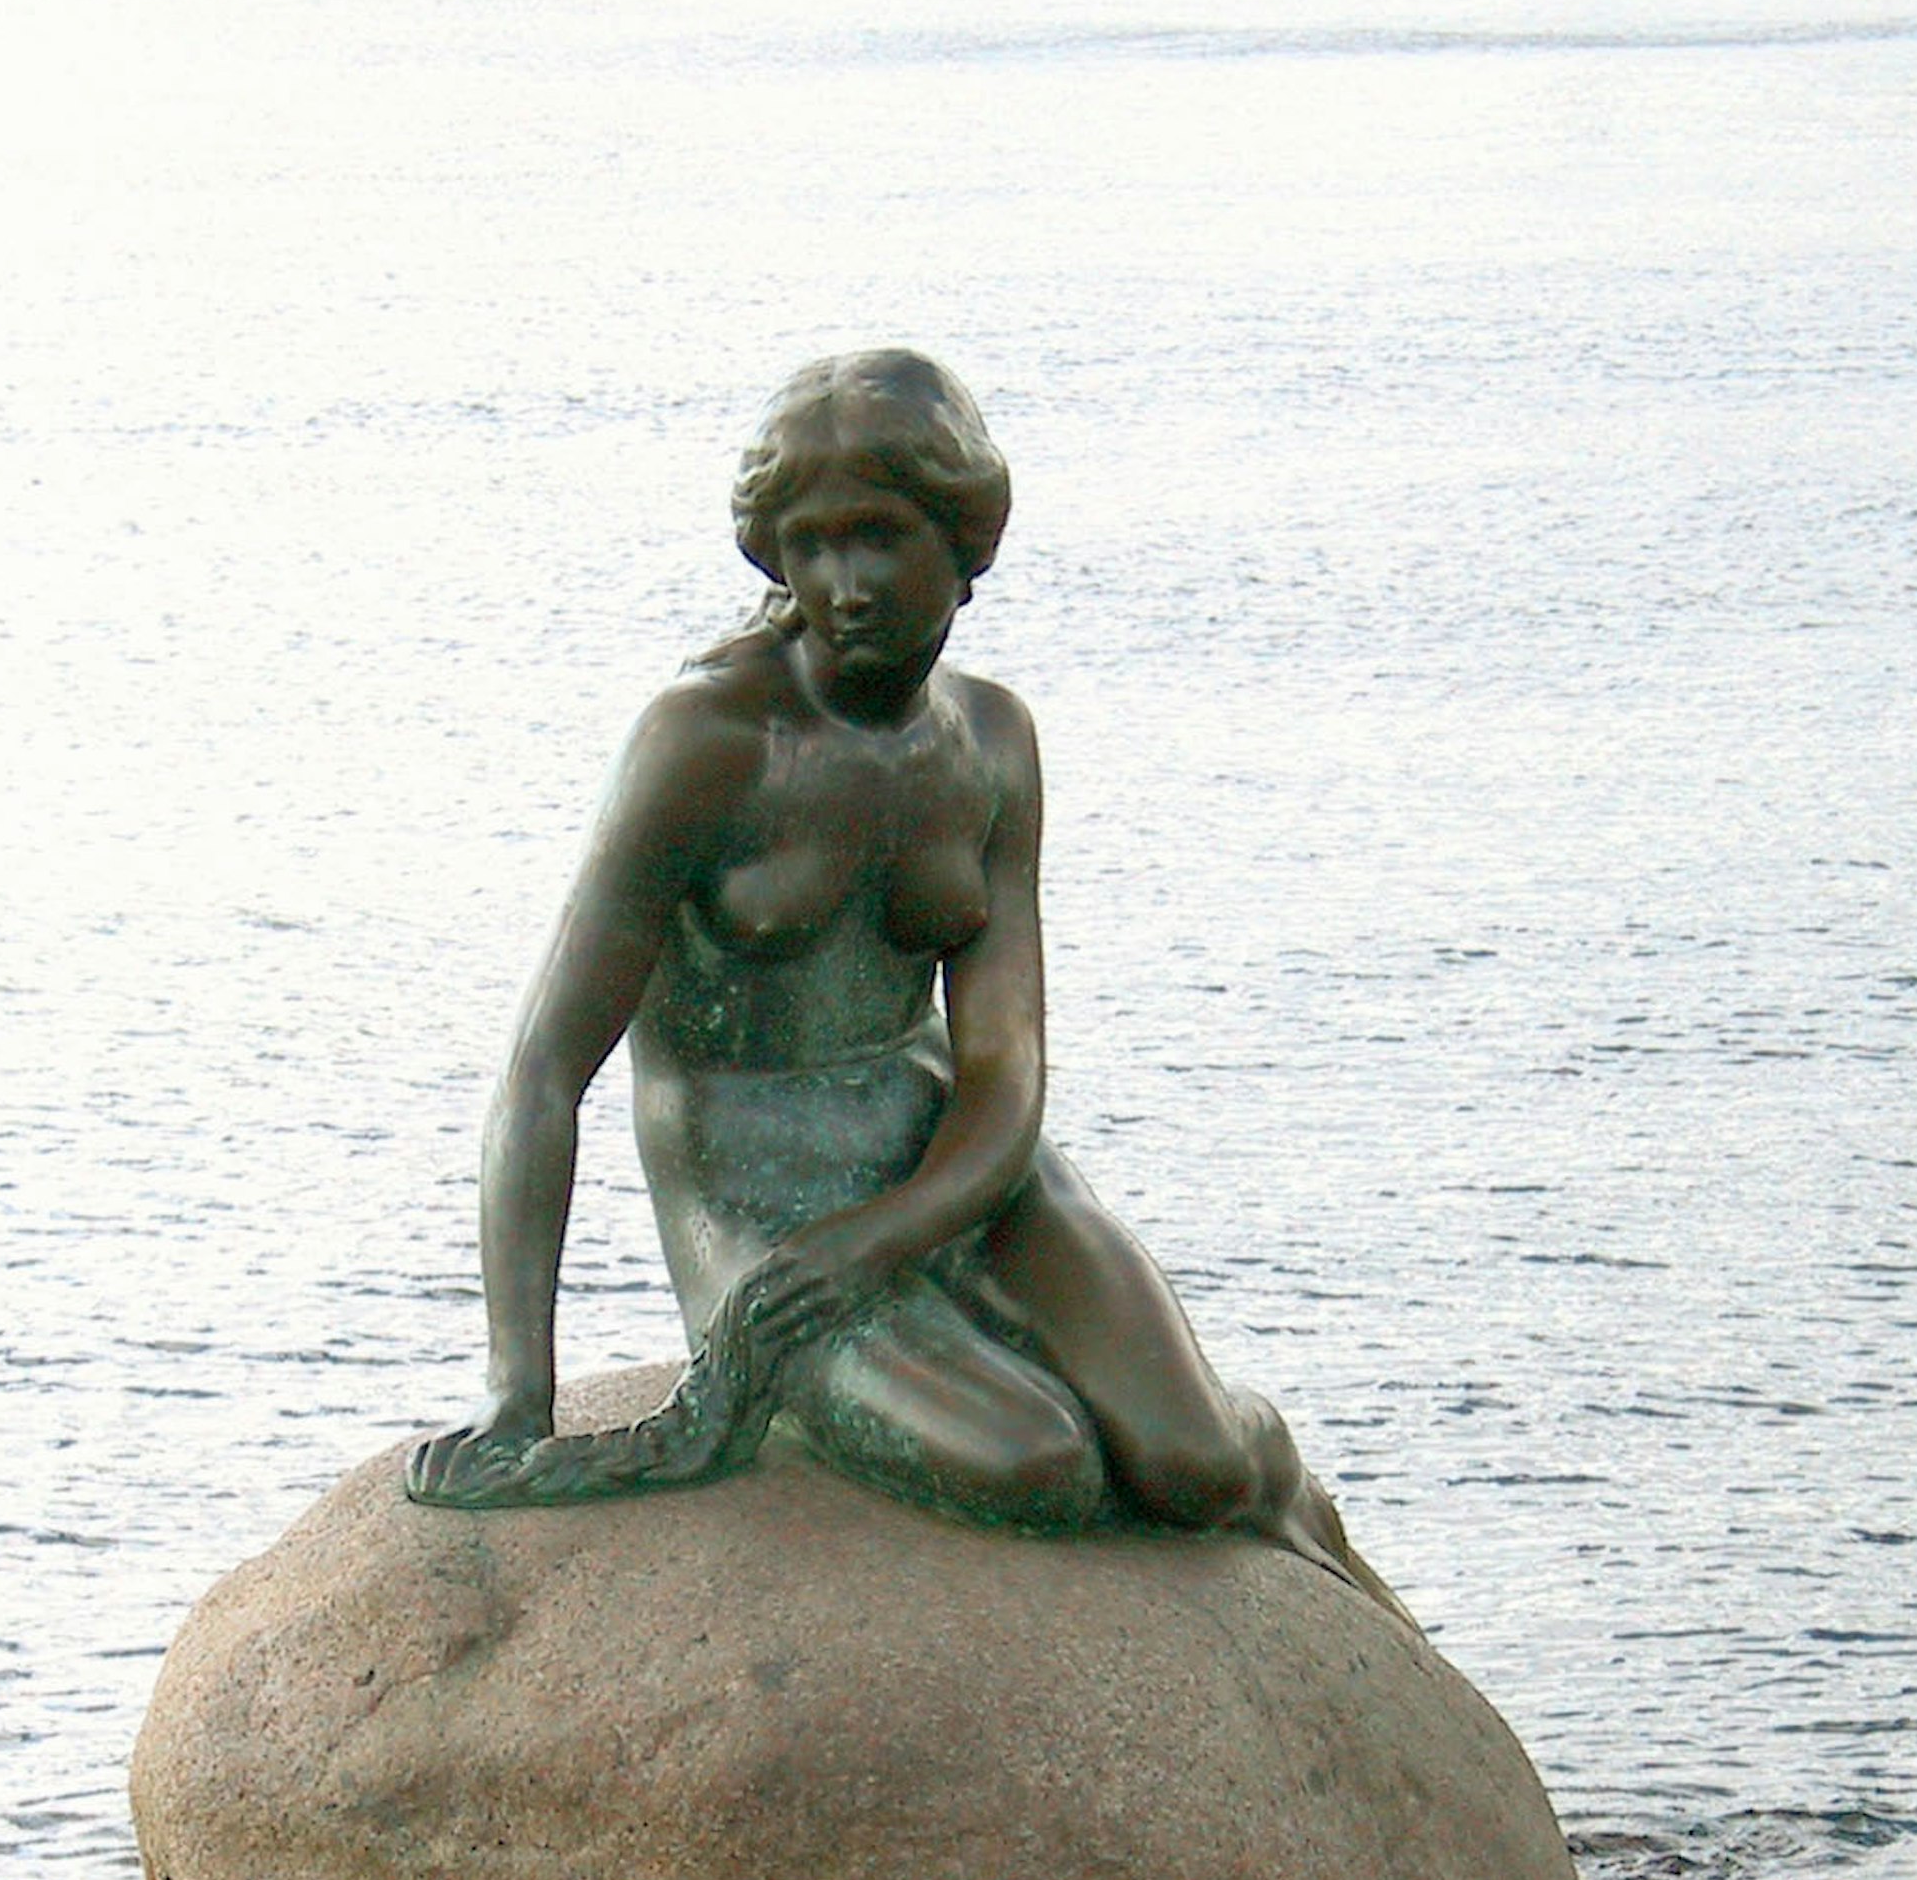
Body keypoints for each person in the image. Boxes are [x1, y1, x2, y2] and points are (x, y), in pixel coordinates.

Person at [407, 350, 1391, 1610]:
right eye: (809, 547)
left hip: (954, 1169)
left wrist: (896, 1230)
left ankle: (1293, 1503)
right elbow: (541, 1077)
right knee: (1036, 1463)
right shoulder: (705, 746)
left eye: (879, 538)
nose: (844, 585)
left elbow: (1003, 1072)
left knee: (1195, 1462)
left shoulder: (989, 742)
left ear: (964, 538)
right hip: (766, 1214)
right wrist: (517, 1391)